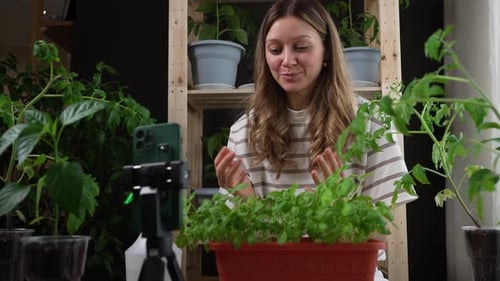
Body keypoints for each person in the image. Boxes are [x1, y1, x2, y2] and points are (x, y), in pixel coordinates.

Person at [214, 0, 417, 279]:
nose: (287, 60)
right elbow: (246, 245)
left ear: (326, 53)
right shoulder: (243, 131)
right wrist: (244, 200)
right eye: (275, 49)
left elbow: (380, 232)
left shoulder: (370, 122)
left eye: (301, 47)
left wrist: (337, 204)